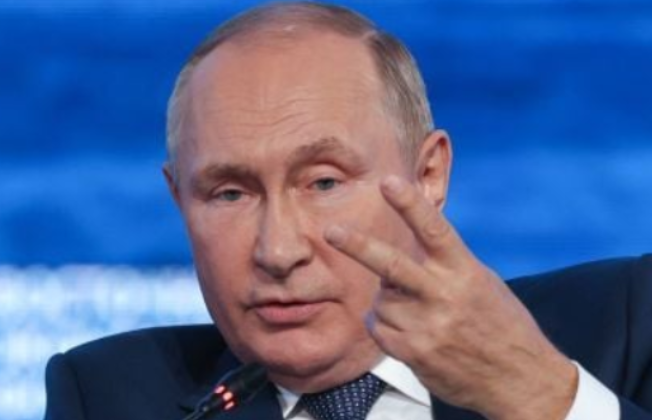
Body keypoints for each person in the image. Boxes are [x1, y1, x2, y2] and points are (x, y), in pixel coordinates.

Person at [44, 2, 652, 420]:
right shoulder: (110, 395)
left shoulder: (621, 326)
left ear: (428, 175)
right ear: (179, 200)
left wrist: (541, 398)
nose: (278, 251)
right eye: (230, 193)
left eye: (324, 182)